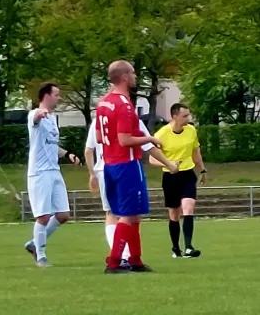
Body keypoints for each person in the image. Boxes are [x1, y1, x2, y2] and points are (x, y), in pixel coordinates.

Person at [96, 60, 178, 274]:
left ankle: (135, 260)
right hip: (126, 164)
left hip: (110, 164)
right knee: (129, 214)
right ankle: (114, 262)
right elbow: (124, 140)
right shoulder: (123, 105)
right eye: (132, 73)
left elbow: (99, 136)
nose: (135, 76)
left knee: (133, 214)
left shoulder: (103, 103)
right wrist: (150, 138)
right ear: (123, 76)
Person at [86, 116, 180, 268]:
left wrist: (92, 173)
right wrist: (169, 164)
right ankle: (120, 258)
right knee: (130, 214)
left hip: (103, 169)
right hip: (124, 169)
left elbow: (88, 150)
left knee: (113, 214)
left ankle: (131, 258)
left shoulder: (100, 119)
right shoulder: (129, 117)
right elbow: (148, 146)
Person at [23, 82, 80, 268]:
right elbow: (36, 119)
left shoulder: (53, 119)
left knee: (63, 215)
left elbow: (51, 144)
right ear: (46, 96)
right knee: (43, 216)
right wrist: (41, 114)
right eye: (57, 94)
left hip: (54, 171)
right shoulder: (35, 114)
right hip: (39, 173)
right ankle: (41, 256)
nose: (59, 97)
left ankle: (33, 243)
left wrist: (67, 154)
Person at [149, 103, 206, 259]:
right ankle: (176, 248)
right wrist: (168, 164)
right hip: (170, 177)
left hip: (187, 174)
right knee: (174, 214)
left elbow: (196, 152)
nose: (188, 118)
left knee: (189, 207)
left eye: (188, 115)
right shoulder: (162, 134)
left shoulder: (191, 130)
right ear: (174, 116)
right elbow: (152, 159)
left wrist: (202, 169)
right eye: (185, 116)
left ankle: (188, 247)